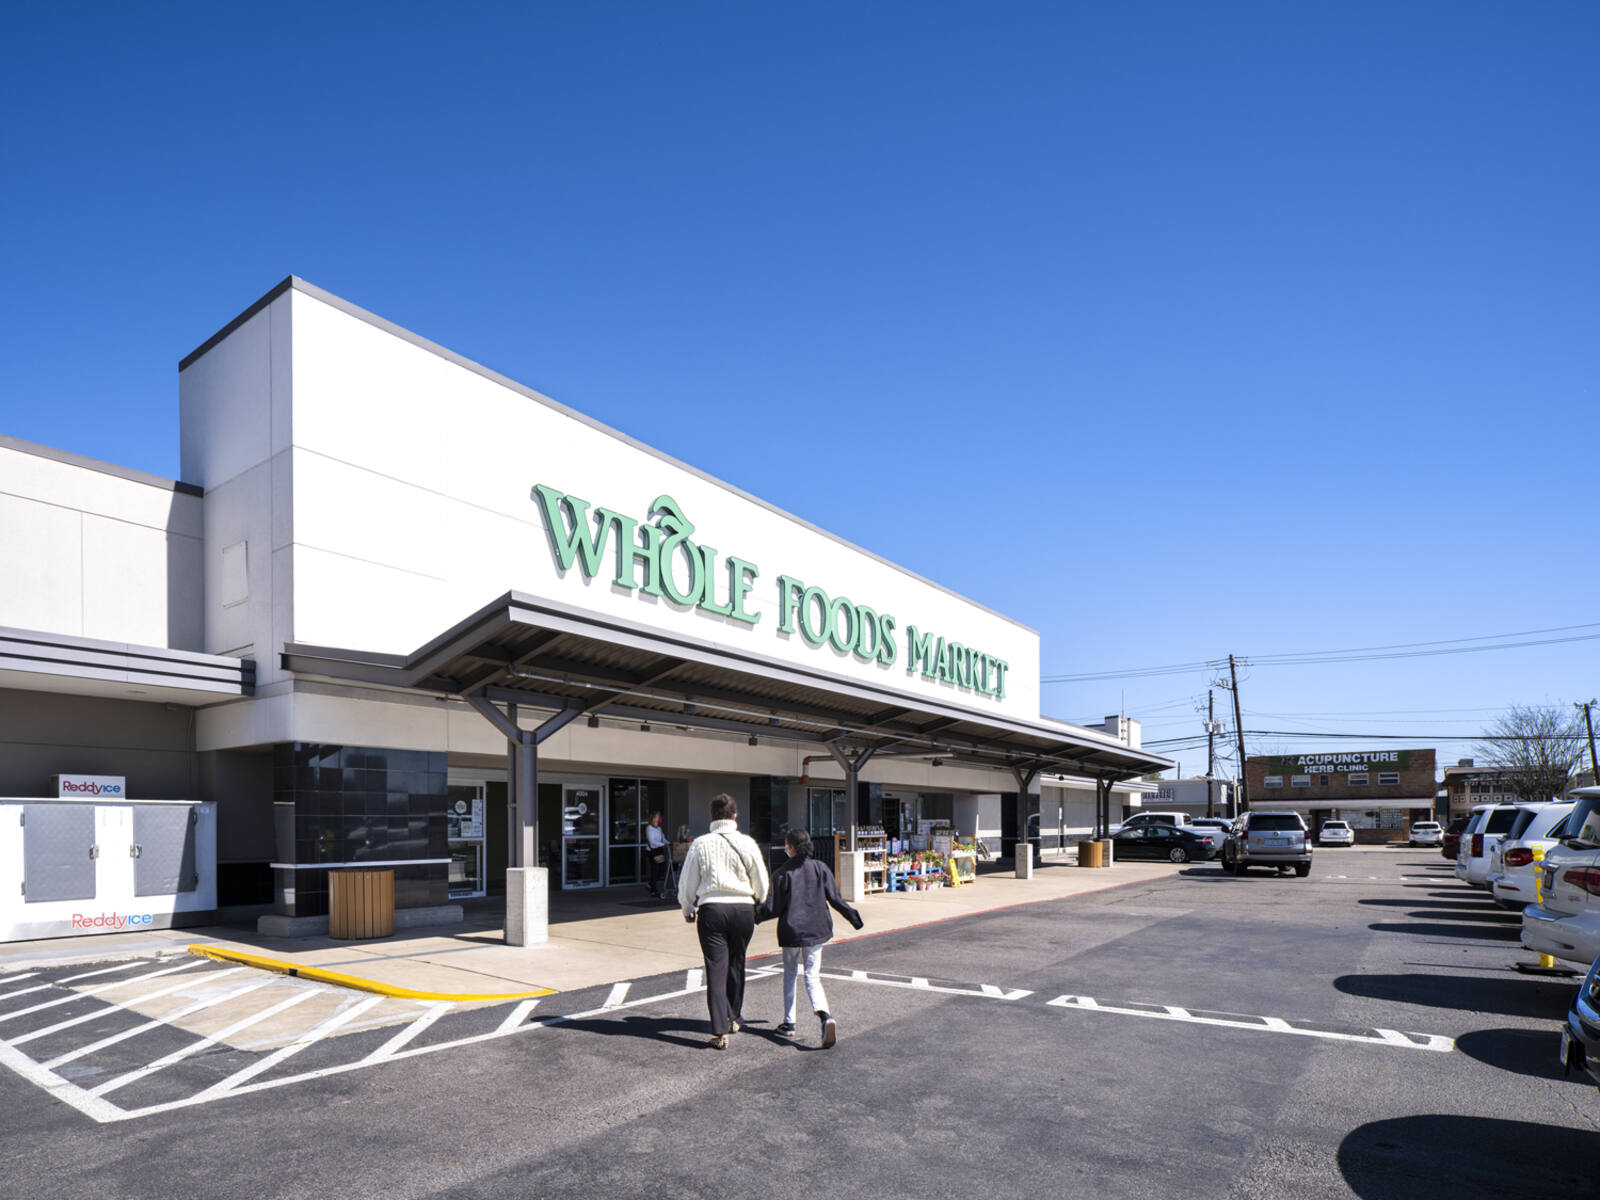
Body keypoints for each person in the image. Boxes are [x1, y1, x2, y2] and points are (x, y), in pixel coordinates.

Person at [678, 794, 769, 1050]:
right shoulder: (748, 842)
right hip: (743, 909)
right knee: (737, 964)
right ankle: (734, 1017)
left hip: (712, 910)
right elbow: (761, 881)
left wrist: (687, 907)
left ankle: (719, 1031)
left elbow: (687, 883)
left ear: (711, 816)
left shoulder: (700, 844)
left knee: (716, 969)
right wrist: (758, 899)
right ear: (735, 816)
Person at [757, 828, 862, 1049]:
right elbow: (835, 899)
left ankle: (789, 1022)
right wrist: (854, 918)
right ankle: (825, 1016)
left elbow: (772, 908)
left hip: (791, 933)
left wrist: (752, 916)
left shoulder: (782, 873)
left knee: (790, 974)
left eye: (787, 845)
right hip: (816, 931)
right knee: (813, 977)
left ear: (792, 847)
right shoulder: (820, 868)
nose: (786, 848)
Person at [644, 811, 670, 898]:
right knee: (655, 869)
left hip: (659, 850)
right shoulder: (649, 828)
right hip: (652, 851)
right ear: (652, 818)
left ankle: (650, 884)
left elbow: (663, 839)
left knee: (662, 868)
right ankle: (653, 890)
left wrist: (669, 843)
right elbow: (652, 842)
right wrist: (663, 845)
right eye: (657, 816)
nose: (658, 818)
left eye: (659, 816)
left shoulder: (659, 828)